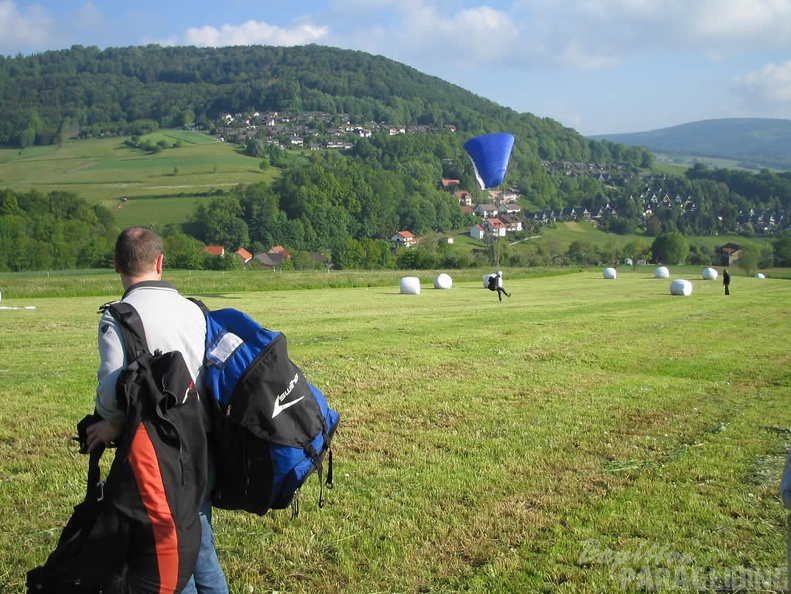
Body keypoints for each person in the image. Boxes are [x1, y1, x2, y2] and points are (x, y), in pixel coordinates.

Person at [84, 226, 228, 594]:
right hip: (204, 445)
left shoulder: (119, 316)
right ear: (160, 262)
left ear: (116, 264)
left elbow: (112, 391)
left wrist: (112, 424)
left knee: (171, 554)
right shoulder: (194, 310)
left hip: (158, 455)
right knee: (198, 541)